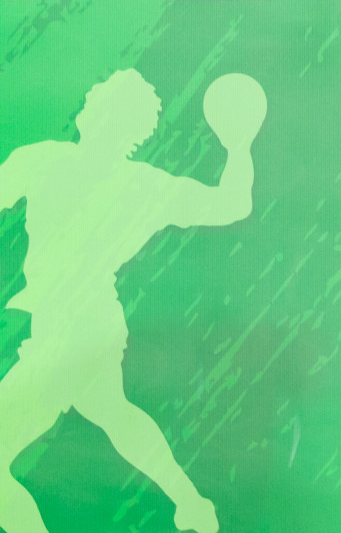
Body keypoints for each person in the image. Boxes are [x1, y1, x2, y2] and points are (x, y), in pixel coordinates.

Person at [0, 69, 266, 533]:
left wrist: (241, 144)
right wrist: (238, 147)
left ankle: (192, 505)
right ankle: (193, 506)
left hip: (69, 330)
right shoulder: (140, 186)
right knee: (112, 412)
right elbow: (233, 204)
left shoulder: (55, 164)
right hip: (89, 325)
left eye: (97, 97)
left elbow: (232, 206)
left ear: (101, 113)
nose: (87, 101)